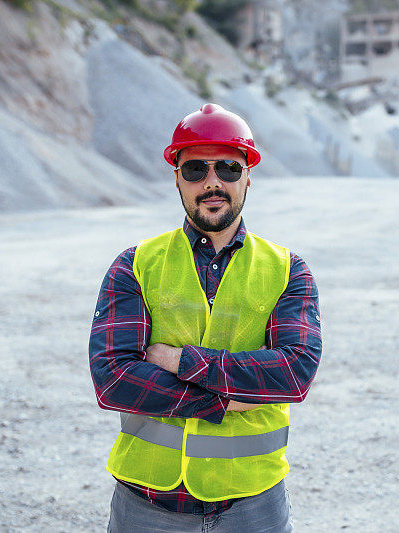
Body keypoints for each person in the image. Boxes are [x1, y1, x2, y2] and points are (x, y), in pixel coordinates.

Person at [89, 103, 323, 532]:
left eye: (228, 169)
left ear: (248, 175)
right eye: (196, 169)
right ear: (176, 177)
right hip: (146, 504)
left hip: (253, 506)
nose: (212, 182)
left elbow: (294, 373)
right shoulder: (135, 264)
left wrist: (180, 362)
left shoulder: (288, 269)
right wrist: (224, 400)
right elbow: (114, 379)